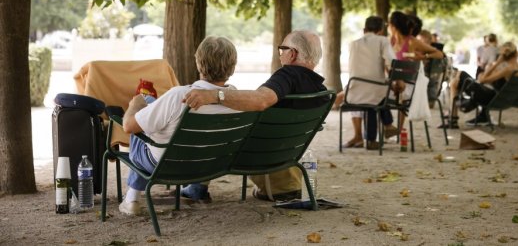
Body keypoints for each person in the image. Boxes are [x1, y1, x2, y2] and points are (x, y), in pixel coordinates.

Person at [183, 30, 327, 202]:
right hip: (289, 164)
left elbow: (261, 100)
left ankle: (197, 187)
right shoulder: (321, 92)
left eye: (282, 49)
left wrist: (215, 95)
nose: (280, 54)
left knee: (220, 126)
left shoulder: (286, 76)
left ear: (292, 54)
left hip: (260, 162)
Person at [119, 36, 239, 215]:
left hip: (166, 165)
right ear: (233, 66)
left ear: (198, 63)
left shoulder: (179, 95)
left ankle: (132, 199)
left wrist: (135, 104)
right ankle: (197, 189)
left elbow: (129, 126)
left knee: (142, 121)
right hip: (209, 165)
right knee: (156, 110)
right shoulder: (237, 98)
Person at [335, 16, 397, 150]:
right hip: (376, 90)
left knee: (369, 99)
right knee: (377, 97)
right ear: (381, 30)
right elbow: (392, 62)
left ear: (364, 29)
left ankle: (371, 137)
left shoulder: (353, 43)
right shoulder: (382, 40)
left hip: (354, 90)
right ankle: (385, 127)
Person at [450, 42, 518, 126]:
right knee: (455, 82)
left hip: (493, 99)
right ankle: (466, 110)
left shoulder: (507, 69)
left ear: (503, 56)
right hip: (504, 98)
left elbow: (482, 80)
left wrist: (497, 63)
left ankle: (455, 113)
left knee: (460, 75)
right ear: (516, 53)